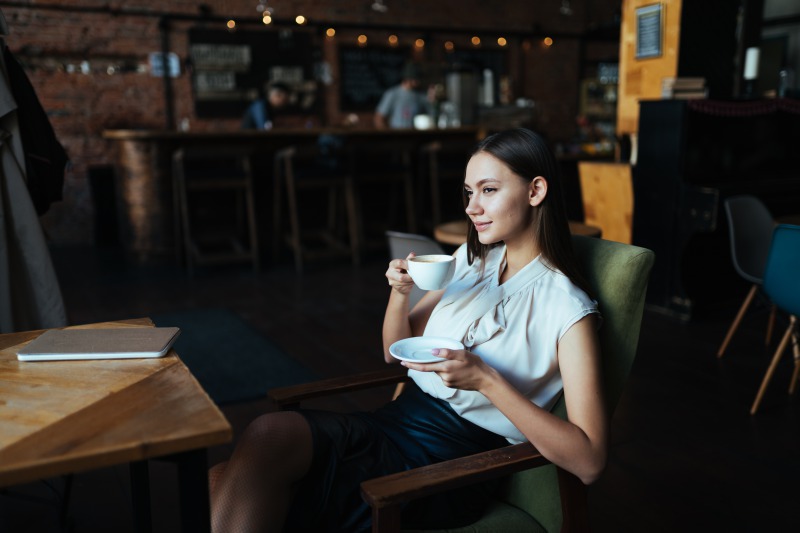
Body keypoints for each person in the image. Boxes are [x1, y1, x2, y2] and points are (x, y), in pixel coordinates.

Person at [209, 128, 607, 532]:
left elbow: (589, 462)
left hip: (453, 463)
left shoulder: (568, 308)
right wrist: (400, 294)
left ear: (536, 190)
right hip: (394, 423)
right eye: (469, 192)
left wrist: (487, 381)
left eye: (488, 190)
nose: (472, 207)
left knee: (235, 480)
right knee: (262, 441)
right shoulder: (472, 260)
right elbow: (395, 352)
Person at [374, 62, 434, 129]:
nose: (419, 81)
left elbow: (432, 114)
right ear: (408, 78)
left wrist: (433, 100)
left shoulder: (420, 96)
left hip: (416, 135)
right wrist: (386, 136)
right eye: (416, 78)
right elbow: (379, 118)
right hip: (397, 134)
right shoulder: (392, 94)